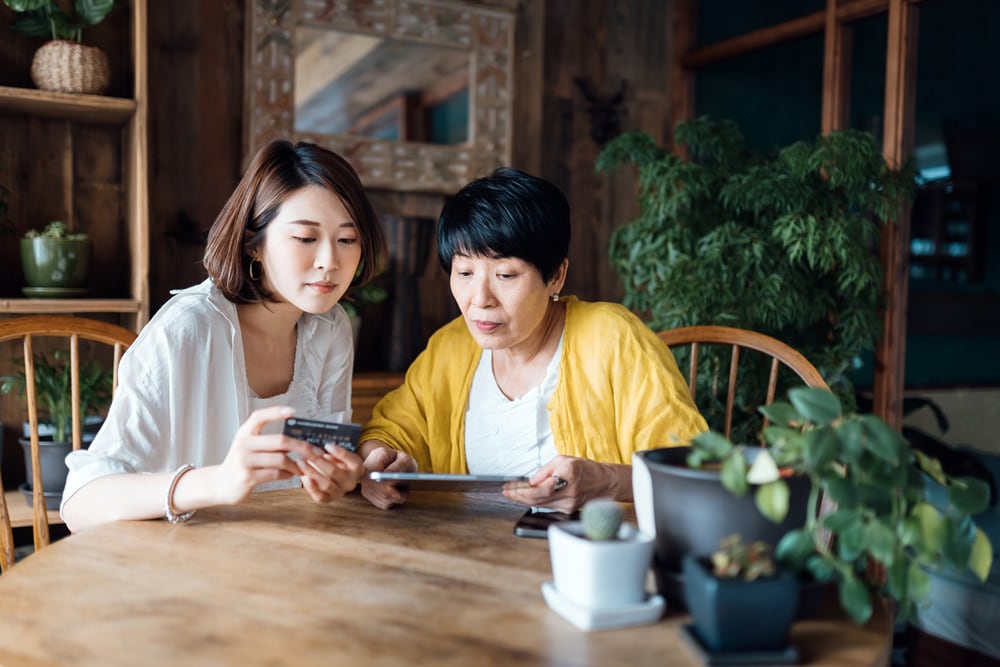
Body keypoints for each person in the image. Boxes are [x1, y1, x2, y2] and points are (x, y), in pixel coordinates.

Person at [61, 140, 386, 532]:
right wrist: (220, 481)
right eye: (305, 238)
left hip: (283, 560)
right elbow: (80, 500)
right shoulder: (187, 328)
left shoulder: (330, 329)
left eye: (347, 240)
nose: (329, 262)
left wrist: (341, 477)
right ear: (255, 245)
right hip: (181, 565)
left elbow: (322, 469)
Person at [359, 167, 707, 513]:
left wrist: (608, 481)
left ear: (556, 276)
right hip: (465, 556)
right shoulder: (450, 348)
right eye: (464, 273)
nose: (480, 298)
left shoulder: (614, 338)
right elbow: (389, 431)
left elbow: (694, 472)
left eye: (505, 274)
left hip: (582, 559)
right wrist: (378, 465)